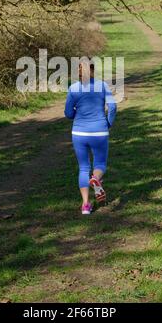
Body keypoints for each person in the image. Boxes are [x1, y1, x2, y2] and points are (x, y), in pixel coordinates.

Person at [64, 61, 117, 215]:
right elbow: (112, 107)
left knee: (83, 167)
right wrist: (108, 123)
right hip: (99, 131)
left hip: (79, 133)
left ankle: (86, 205)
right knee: (100, 163)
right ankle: (96, 179)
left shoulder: (73, 88)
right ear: (93, 71)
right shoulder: (103, 86)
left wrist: (76, 113)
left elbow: (68, 114)